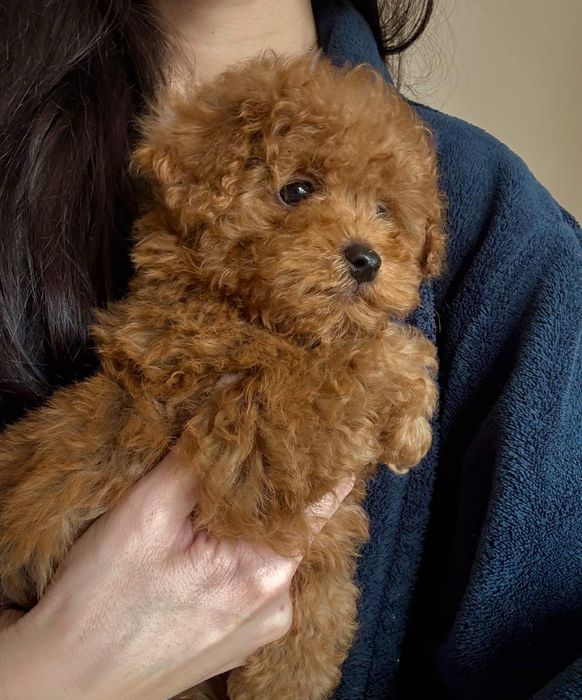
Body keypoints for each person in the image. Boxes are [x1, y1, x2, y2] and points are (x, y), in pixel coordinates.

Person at [0, 1, 580, 698]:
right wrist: (45, 674)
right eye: (298, 191)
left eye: (385, 213)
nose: (362, 242)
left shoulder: (511, 239)